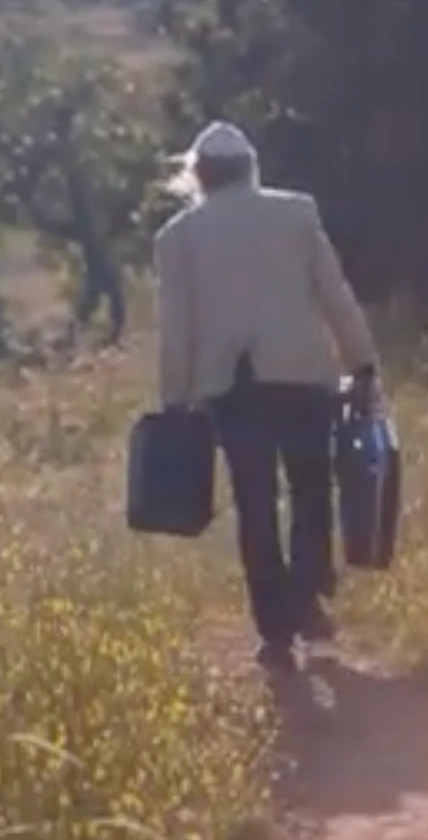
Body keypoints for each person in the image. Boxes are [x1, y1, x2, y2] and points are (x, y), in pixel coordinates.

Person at [153, 120, 381, 672]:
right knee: (310, 490)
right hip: (303, 375)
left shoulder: (178, 237)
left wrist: (174, 400)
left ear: (200, 175)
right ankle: (307, 600)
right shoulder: (296, 213)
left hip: (234, 388)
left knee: (255, 507)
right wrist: (362, 362)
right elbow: (335, 295)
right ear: (250, 168)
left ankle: (274, 630)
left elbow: (177, 330)